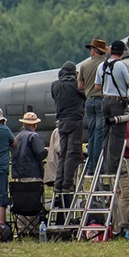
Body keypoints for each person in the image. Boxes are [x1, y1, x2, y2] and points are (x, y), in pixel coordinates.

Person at [93, 39, 129, 172]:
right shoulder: (121, 66)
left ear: (111, 51)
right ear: (122, 52)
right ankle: (114, 168)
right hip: (118, 102)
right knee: (117, 135)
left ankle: (105, 165)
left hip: (105, 101)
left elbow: (97, 86)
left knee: (106, 134)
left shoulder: (102, 66)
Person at [51, 61, 85, 195]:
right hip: (75, 121)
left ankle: (58, 183)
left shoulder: (55, 85)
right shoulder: (76, 85)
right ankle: (67, 184)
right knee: (73, 153)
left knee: (63, 153)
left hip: (61, 122)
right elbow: (85, 94)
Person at [77, 37, 110, 175]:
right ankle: (97, 166)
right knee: (99, 133)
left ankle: (90, 166)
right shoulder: (106, 64)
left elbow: (80, 86)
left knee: (91, 134)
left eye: (90, 49)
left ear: (94, 51)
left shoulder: (84, 66)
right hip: (101, 100)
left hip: (89, 101)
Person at [10, 112, 48, 182]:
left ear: (23, 124)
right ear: (35, 125)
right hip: (33, 172)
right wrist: (47, 151)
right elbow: (40, 154)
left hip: (18, 173)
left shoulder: (17, 137)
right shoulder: (34, 136)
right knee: (34, 192)